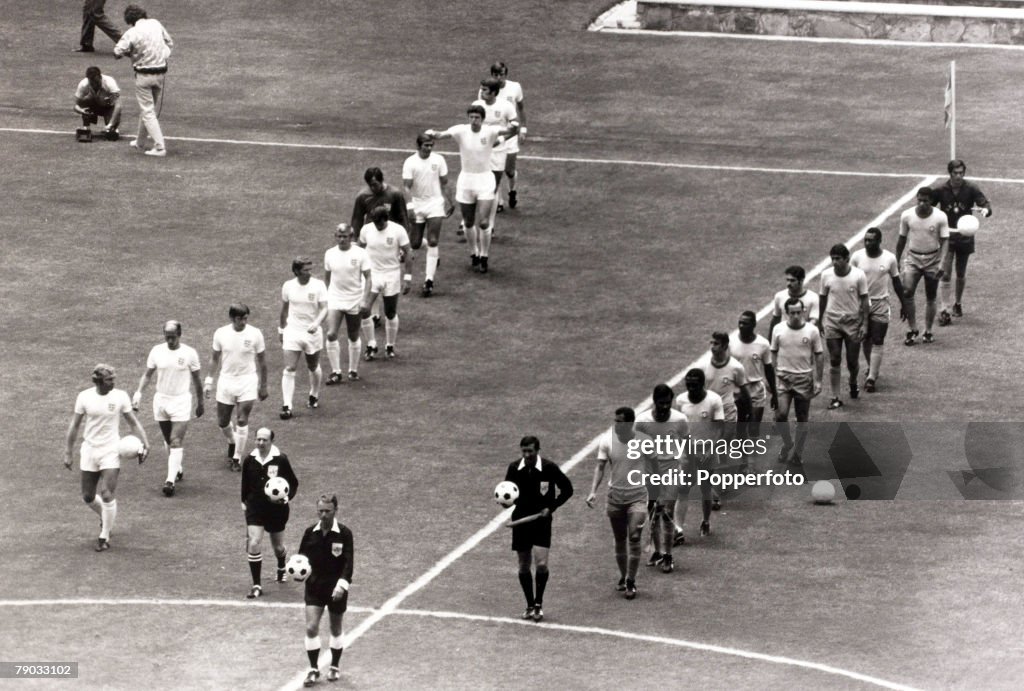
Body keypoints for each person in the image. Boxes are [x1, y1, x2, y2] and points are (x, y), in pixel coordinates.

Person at [64, 364, 149, 551]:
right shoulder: (84, 397)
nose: (113, 382)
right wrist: (69, 452)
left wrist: (145, 443)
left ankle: (104, 536)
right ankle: (105, 516)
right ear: (99, 381)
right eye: (109, 379)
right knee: (87, 496)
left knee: (107, 493)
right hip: (89, 450)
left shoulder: (120, 396)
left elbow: (132, 422)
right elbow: (75, 426)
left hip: (111, 450)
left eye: (113, 378)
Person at [425, 105, 518, 274]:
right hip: (466, 181)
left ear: (482, 119)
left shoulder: (490, 131)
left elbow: (510, 131)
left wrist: (514, 129)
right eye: (471, 117)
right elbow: (441, 135)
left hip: (485, 180)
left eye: (477, 118)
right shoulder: (461, 130)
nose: (473, 121)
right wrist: (432, 133)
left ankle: (484, 256)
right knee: (468, 222)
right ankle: (473, 252)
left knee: (483, 222)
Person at [504, 436, 573, 621]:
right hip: (521, 520)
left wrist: (551, 507)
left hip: (541, 521)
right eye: (524, 451)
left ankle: (538, 603)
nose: (526, 455)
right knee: (524, 565)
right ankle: (529, 605)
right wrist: (505, 503)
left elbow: (567, 489)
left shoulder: (549, 468)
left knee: (541, 565)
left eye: (530, 451)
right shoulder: (513, 468)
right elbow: (508, 493)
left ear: (537, 450)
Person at [132, 320, 204, 497]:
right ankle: (177, 468)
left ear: (179, 335)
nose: (170, 340)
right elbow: (147, 375)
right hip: (161, 401)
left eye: (173, 337)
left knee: (175, 441)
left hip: (181, 402)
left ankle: (170, 481)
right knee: (168, 441)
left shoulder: (189, 353)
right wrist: (138, 393)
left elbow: (196, 380)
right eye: (167, 336)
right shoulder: (157, 351)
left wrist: (200, 402)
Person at [585, 407, 649, 600]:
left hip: (637, 497)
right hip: (615, 498)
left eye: (619, 421)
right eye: (615, 420)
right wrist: (593, 491)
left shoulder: (645, 441)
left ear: (629, 423)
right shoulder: (607, 440)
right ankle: (623, 576)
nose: (616, 424)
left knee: (635, 537)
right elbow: (600, 467)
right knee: (620, 539)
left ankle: (631, 580)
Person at [298, 494, 354, 686]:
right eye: (320, 511)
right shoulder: (309, 533)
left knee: (335, 627)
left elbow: (348, 563)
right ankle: (313, 669)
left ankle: (334, 666)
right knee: (311, 627)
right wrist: (298, 570)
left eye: (327, 511)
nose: (323, 515)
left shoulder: (344, 534)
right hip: (314, 586)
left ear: (335, 511)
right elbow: (302, 558)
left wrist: (342, 585)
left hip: (336, 588)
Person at [205, 304, 269, 471]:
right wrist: (209, 381)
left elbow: (262, 362)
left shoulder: (255, 334)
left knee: (241, 419)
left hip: (247, 380)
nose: (244, 322)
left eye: (246, 318)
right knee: (223, 421)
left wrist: (263, 385)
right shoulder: (221, 333)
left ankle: (237, 457)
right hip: (226, 381)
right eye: (241, 319)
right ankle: (232, 441)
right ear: (232, 318)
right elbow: (214, 358)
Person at [634, 384, 688, 572]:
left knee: (666, 512)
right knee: (653, 512)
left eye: (667, 403)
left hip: (671, 469)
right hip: (650, 472)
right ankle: (658, 551)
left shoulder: (680, 419)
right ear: (654, 401)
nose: (665, 407)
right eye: (661, 403)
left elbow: (687, 441)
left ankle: (668, 556)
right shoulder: (642, 421)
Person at [931, 159, 992, 324]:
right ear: (950, 173)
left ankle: (957, 303)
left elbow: (985, 204)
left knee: (961, 272)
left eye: (961, 173)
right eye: (955, 173)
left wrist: (985, 210)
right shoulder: (941, 190)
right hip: (948, 236)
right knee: (945, 272)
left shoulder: (971, 188)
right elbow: (928, 207)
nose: (958, 176)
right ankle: (944, 309)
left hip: (965, 236)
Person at [241, 428, 299, 599]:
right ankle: (256, 585)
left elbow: (293, 483)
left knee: (278, 547)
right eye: (258, 439)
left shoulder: (281, 459)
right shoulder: (249, 460)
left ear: (271, 441)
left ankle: (281, 565)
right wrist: (244, 502)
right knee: (254, 542)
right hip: (255, 508)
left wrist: (286, 498)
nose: (260, 443)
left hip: (276, 510)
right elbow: (245, 484)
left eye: (264, 440)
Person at [769, 297, 824, 465]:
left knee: (802, 417)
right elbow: (773, 353)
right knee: (781, 415)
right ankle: (787, 444)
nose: (795, 315)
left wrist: (818, 380)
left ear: (803, 312)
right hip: (783, 379)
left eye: (798, 312)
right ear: (787, 313)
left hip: (803, 379)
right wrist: (773, 378)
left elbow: (819, 355)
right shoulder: (778, 329)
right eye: (792, 312)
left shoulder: (812, 331)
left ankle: (797, 455)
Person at [851, 227, 907, 392]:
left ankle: (871, 378)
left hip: (880, 303)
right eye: (866, 240)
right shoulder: (857, 257)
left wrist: (903, 303)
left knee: (877, 338)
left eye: (871, 240)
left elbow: (896, 282)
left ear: (879, 240)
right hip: (861, 304)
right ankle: (872, 367)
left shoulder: (889, 258)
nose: (868, 243)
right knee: (865, 339)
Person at [113, 5, 172, 157]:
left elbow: (117, 52)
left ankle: (160, 148)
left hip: (144, 76)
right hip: (160, 74)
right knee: (147, 109)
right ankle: (140, 142)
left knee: (147, 111)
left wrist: (133, 54)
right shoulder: (156, 23)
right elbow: (169, 43)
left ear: (130, 20)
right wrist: (160, 56)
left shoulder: (132, 32)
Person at [896, 187, 949, 345]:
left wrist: (942, 262)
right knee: (907, 292)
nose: (922, 203)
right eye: (919, 200)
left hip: (932, 259)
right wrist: (897, 259)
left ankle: (928, 330)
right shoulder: (907, 215)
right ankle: (912, 329)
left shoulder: (940, 217)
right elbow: (901, 239)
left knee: (931, 295)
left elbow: (945, 240)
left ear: (931, 201)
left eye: (925, 201)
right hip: (913, 258)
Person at [402, 133, 454, 297]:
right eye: (426, 145)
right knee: (415, 243)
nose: (429, 148)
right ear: (418, 146)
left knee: (433, 240)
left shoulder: (439, 160)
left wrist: (450, 201)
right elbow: (407, 187)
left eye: (431, 145)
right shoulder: (410, 162)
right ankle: (433, 254)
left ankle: (428, 280)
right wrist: (410, 206)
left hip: (435, 204)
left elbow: (444, 182)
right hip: (417, 204)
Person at [674, 369, 724, 540]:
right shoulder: (680, 400)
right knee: (683, 490)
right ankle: (678, 529)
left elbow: (719, 428)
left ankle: (706, 520)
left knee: (705, 488)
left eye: (694, 385)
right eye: (688, 384)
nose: (691, 388)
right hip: (688, 452)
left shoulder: (714, 400)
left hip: (706, 453)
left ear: (702, 384)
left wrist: (711, 448)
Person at [819, 244, 869, 409]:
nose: (834, 262)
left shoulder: (858, 275)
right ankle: (835, 396)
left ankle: (853, 381)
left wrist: (865, 323)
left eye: (838, 258)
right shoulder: (826, 275)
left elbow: (864, 300)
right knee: (834, 359)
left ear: (847, 259)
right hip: (832, 321)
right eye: (832, 258)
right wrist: (821, 319)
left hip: (852, 321)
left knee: (852, 362)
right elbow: (823, 298)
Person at [359, 206, 412, 360]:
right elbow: (360, 250)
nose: (377, 226)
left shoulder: (398, 230)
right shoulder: (366, 230)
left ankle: (390, 345)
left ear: (386, 219)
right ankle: (371, 344)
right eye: (374, 222)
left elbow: (409, 252)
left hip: (392, 274)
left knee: (390, 312)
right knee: (364, 309)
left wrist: (407, 278)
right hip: (372, 274)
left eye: (380, 223)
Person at [323, 223, 373, 384]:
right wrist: (325, 298)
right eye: (339, 236)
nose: (342, 239)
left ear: (351, 237)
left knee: (353, 335)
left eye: (345, 236)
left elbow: (368, 277)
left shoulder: (360, 253)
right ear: (335, 236)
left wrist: (365, 300)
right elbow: (327, 278)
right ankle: (336, 372)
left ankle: (353, 370)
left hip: (354, 299)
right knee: (331, 334)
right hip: (335, 299)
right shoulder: (329, 254)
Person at [279, 257, 328, 420]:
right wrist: (281, 329)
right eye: (306, 270)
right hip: (292, 331)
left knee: (313, 366)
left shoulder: (318, 285)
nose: (309, 273)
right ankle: (287, 406)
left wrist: (316, 323)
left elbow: (324, 309)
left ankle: (314, 394)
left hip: (312, 333)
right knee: (290, 368)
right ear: (297, 271)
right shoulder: (288, 286)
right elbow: (284, 310)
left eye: (310, 269)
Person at [474, 77, 519, 236]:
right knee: (476, 186)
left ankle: (489, 225)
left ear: (493, 92)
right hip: (479, 151)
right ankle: (468, 222)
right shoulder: (477, 105)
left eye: (485, 90)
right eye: (481, 89)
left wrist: (501, 139)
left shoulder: (506, 106)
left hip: (498, 152)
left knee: (491, 188)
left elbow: (515, 127)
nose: (481, 92)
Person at [483, 61, 526, 210]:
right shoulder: (487, 90)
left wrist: (523, 128)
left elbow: (521, 108)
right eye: (496, 74)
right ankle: (499, 202)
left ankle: (512, 191)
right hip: (494, 137)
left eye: (501, 74)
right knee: (496, 171)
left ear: (506, 74)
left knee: (509, 170)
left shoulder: (515, 87)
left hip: (510, 135)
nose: (499, 77)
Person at [732, 311, 775, 441]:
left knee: (754, 427)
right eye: (740, 322)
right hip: (737, 390)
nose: (741, 325)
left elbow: (768, 369)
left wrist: (775, 393)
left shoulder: (763, 344)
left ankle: (752, 456)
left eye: (745, 323)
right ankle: (742, 457)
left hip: (755, 389)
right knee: (739, 428)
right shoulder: (731, 342)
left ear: (753, 325)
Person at [768, 265, 820, 340]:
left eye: (792, 280)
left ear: (801, 281)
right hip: (784, 337)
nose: (788, 283)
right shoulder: (779, 296)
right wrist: (770, 340)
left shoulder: (813, 297)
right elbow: (775, 319)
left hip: (803, 338)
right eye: (787, 280)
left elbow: (814, 321)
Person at [74, 66, 122, 141]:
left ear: (100, 77)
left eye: (96, 82)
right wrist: (81, 111)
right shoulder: (83, 84)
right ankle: (86, 127)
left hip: (108, 106)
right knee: (85, 100)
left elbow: (118, 105)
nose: (94, 85)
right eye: (91, 82)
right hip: (94, 105)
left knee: (111, 134)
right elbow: (76, 105)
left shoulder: (110, 82)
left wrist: (111, 124)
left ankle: (112, 127)